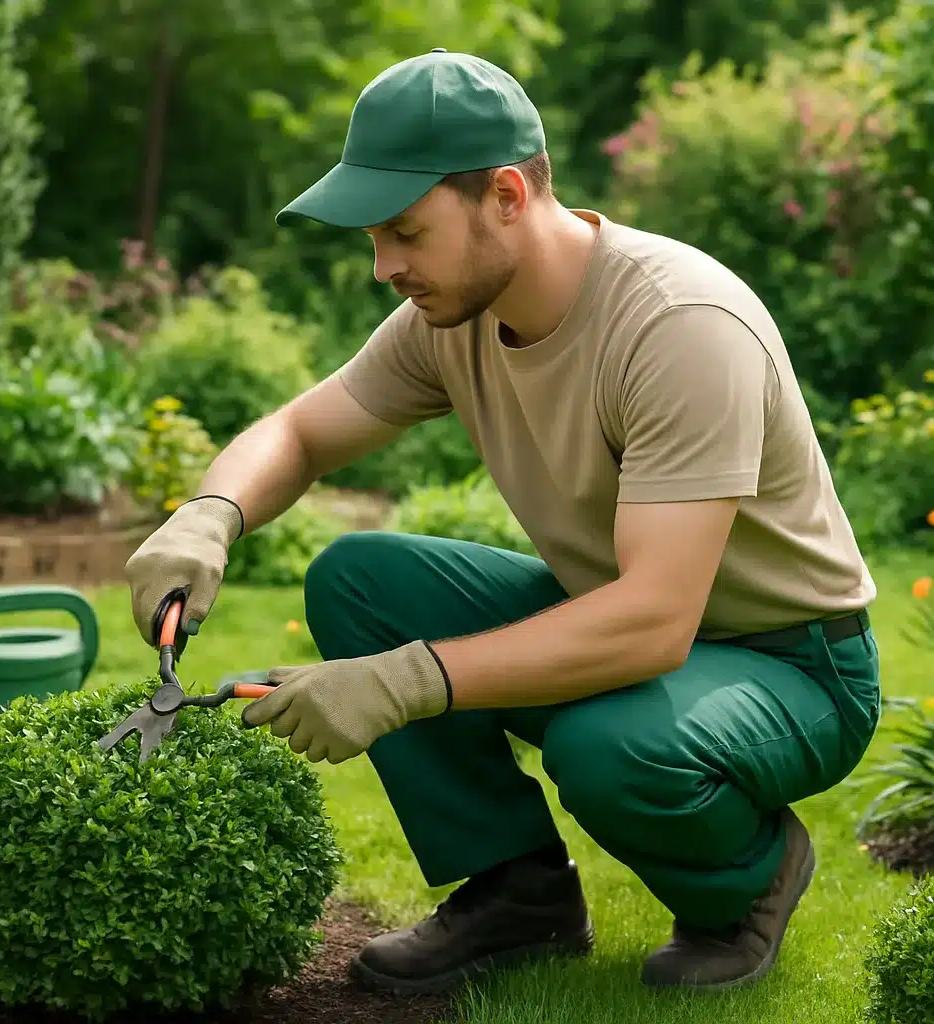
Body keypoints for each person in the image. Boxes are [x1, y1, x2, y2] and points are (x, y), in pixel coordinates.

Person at [123, 49, 881, 997]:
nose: (384, 267)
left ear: (508, 196)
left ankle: (748, 878)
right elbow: (301, 432)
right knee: (360, 582)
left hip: (791, 663)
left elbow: (654, 621)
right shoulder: (453, 319)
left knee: (610, 750)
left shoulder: (679, 324)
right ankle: (520, 896)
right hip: (627, 621)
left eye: (406, 231)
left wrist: (402, 682)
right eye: (375, 238)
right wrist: (208, 516)